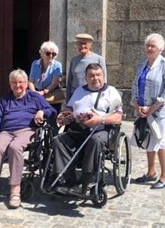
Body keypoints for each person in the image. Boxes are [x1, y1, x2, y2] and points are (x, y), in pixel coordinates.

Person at [0, 69, 56, 210]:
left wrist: (42, 111)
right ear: (10, 84)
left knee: (15, 147)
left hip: (26, 130)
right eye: (14, 82)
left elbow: (52, 110)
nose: (17, 85)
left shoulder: (34, 97)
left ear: (26, 83)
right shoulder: (5, 99)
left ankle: (15, 190)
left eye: (20, 82)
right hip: (6, 131)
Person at [53, 63, 122, 195]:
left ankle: (85, 181)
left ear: (103, 76)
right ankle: (68, 181)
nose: (95, 78)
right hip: (78, 129)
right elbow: (69, 109)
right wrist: (64, 116)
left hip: (101, 130)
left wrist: (100, 120)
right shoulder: (79, 90)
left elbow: (118, 118)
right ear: (86, 77)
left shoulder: (111, 92)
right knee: (58, 141)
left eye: (98, 75)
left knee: (95, 140)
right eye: (91, 75)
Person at [130, 33, 165, 189]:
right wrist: (136, 104)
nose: (149, 48)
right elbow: (135, 85)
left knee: (160, 140)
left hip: (160, 111)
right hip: (143, 109)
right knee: (149, 139)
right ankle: (151, 172)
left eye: (153, 46)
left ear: (160, 49)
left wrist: (153, 107)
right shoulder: (142, 64)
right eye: (147, 45)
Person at [66, 33, 107, 102]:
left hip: (92, 96)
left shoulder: (99, 59)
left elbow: (104, 80)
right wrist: (68, 100)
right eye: (80, 43)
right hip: (75, 97)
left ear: (90, 45)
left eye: (85, 43)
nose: (82, 46)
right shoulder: (74, 60)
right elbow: (70, 81)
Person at [28, 41, 63, 119]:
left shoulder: (57, 65)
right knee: (35, 118)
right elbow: (30, 81)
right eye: (48, 53)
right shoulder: (35, 64)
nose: (51, 56)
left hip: (51, 94)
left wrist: (43, 92)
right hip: (36, 93)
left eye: (53, 54)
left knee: (51, 119)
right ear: (42, 53)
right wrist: (35, 93)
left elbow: (55, 82)